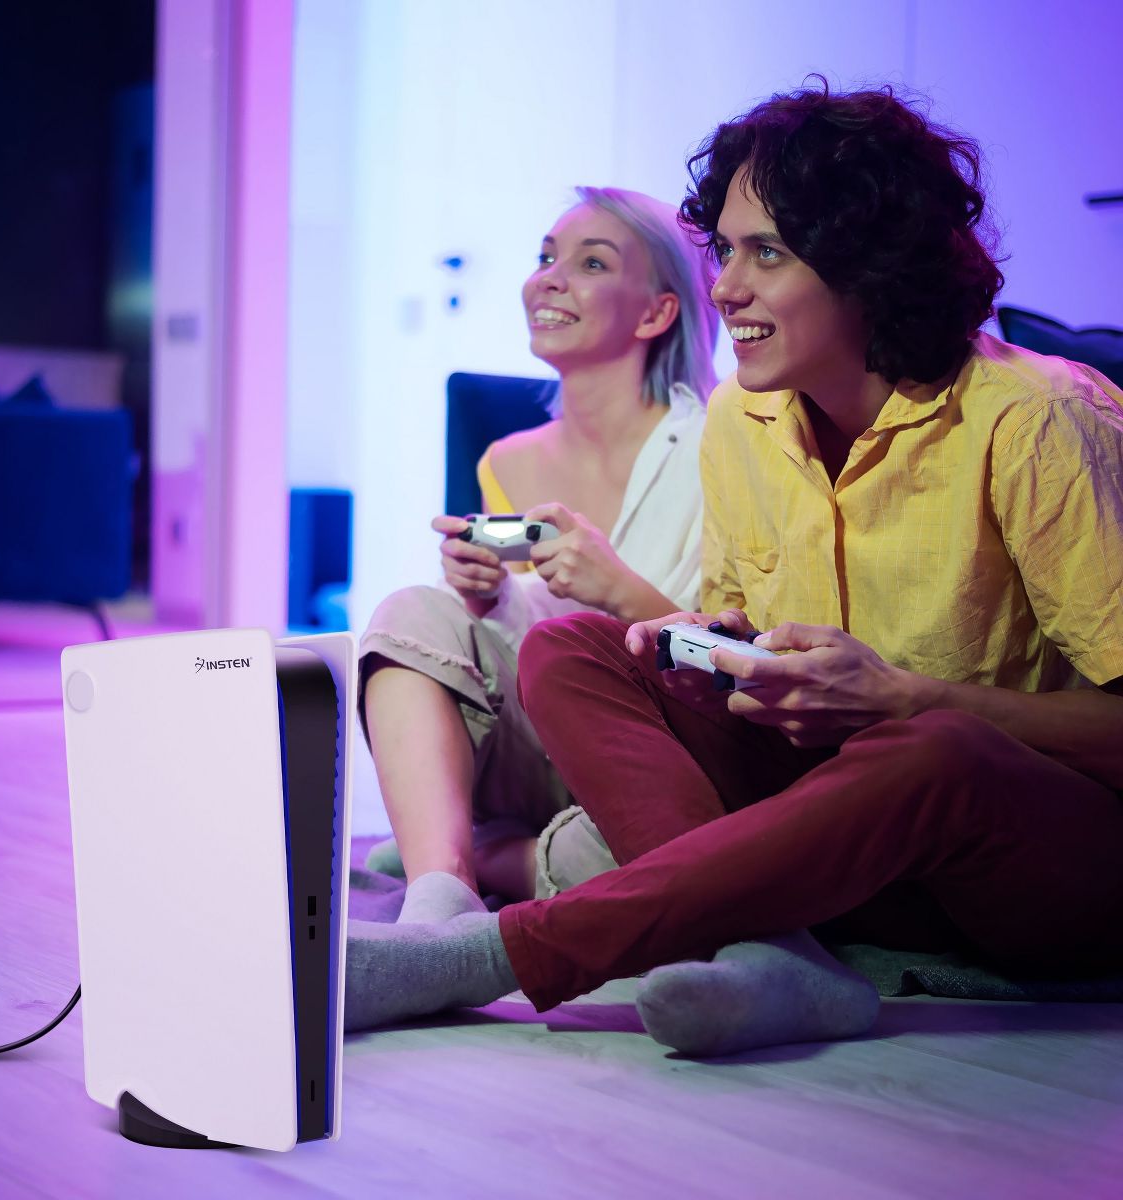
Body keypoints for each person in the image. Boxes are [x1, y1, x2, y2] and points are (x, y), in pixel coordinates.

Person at [343, 82, 1123, 1056]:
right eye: (725, 250)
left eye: (767, 253)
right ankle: (767, 952)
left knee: (935, 748)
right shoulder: (743, 417)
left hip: (1020, 867)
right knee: (573, 649)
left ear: (870, 264)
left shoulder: (1039, 418)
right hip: (840, 849)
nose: (725, 288)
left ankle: (482, 957)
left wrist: (904, 697)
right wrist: (708, 654)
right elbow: (730, 638)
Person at [358, 186, 719, 922]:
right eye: (546, 257)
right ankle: (441, 896)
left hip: (659, 751)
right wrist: (484, 597)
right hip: (539, 743)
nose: (549, 279)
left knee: (693, 852)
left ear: (656, 313)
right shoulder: (508, 460)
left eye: (591, 263)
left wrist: (617, 589)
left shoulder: (720, 449)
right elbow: (523, 639)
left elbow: (728, 661)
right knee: (411, 610)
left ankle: (486, 854)